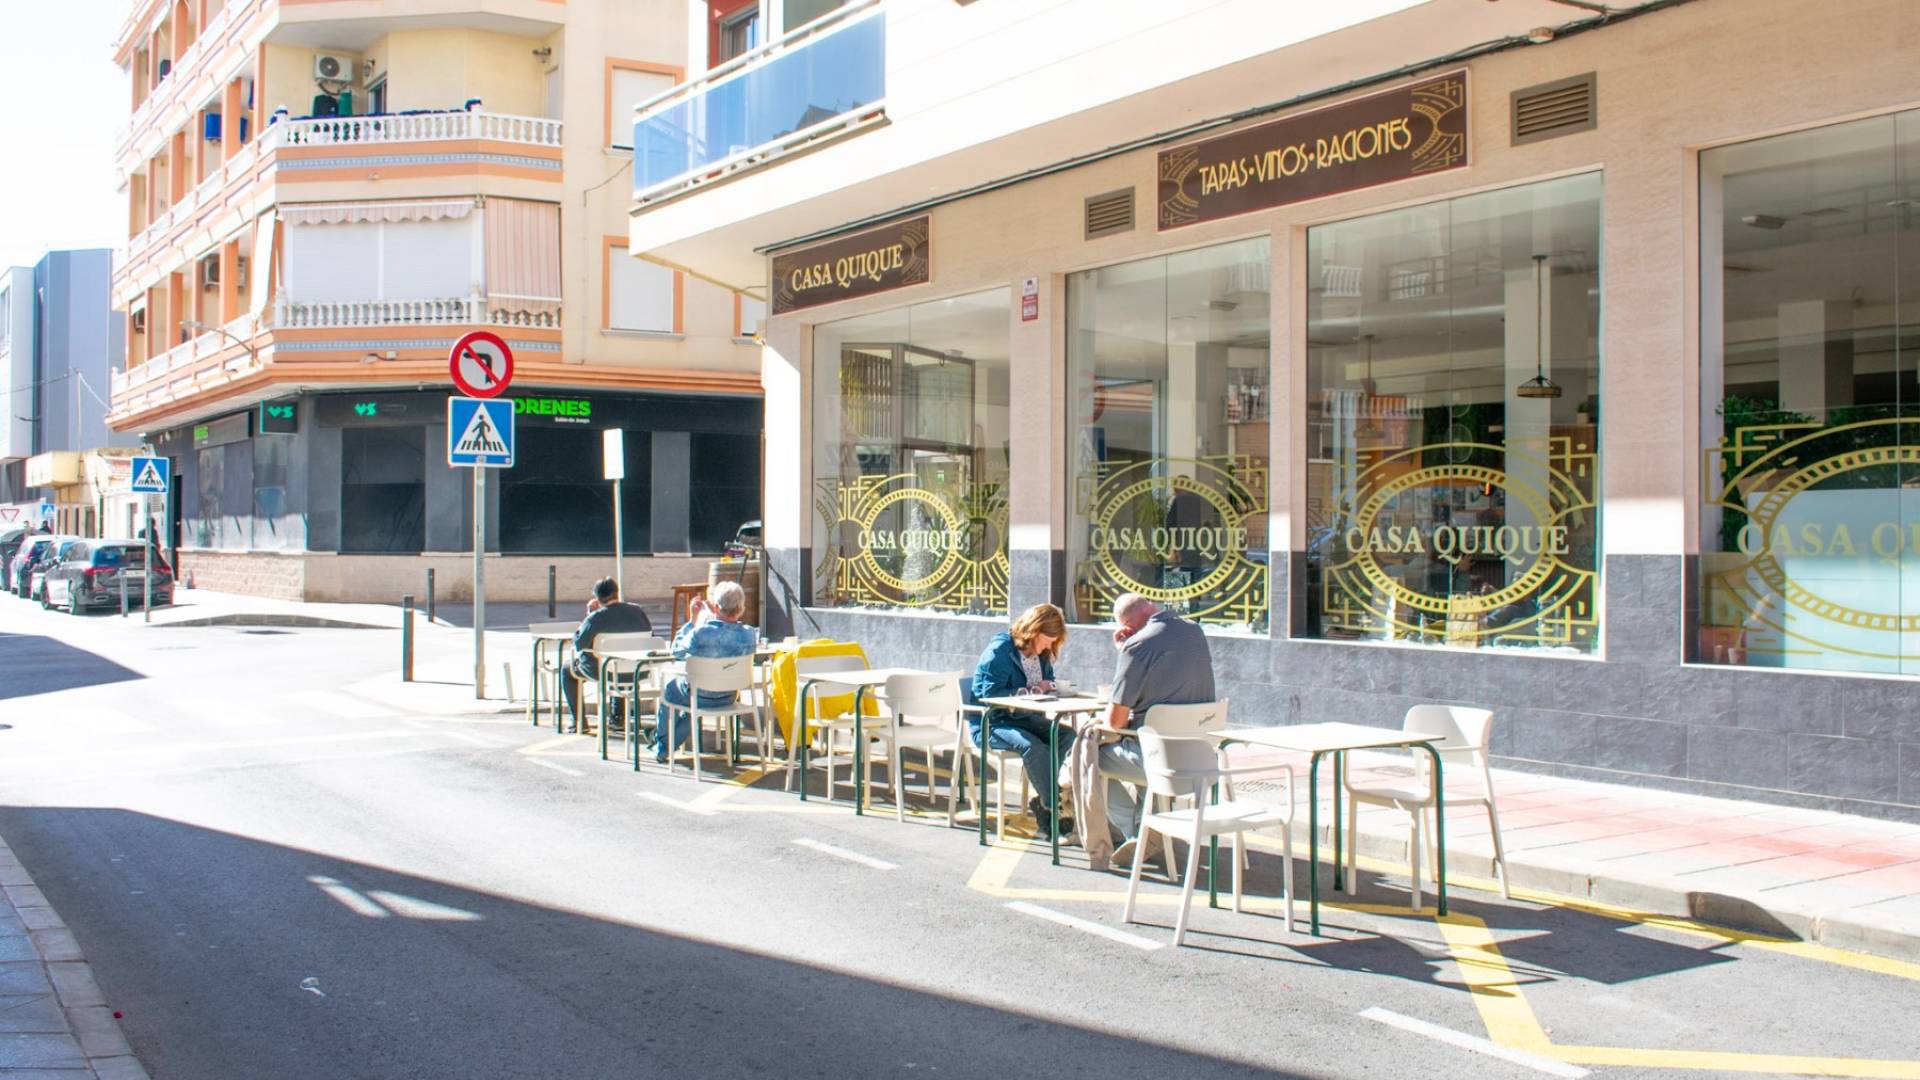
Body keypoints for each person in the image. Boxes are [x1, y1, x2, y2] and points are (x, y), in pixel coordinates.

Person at [1082, 593, 1215, 870]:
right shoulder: (1195, 632)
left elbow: (1116, 721)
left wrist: (1126, 648)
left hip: (1158, 762)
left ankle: (1136, 830)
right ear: (1151, 608)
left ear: (1127, 625)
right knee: (1149, 737)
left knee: (1086, 758)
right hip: (1201, 759)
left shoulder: (1138, 644)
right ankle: (1147, 826)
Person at [970, 603, 1076, 837]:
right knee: (1033, 747)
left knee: (1068, 735)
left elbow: (1045, 683)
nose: (1050, 645)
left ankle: (1048, 797)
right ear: (1034, 630)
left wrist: (1048, 687)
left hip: (1026, 719)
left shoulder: (1043, 654)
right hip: (993, 722)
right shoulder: (1000, 650)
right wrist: (1028, 691)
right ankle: (1052, 809)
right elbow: (987, 695)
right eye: (1048, 639)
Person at [654, 580, 758, 763]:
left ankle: (662, 746)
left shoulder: (700, 633)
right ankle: (663, 747)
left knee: (670, 692)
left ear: (717, 607)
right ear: (741, 608)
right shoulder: (749, 634)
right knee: (690, 703)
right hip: (729, 695)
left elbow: (676, 651)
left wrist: (693, 621)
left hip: (699, 695)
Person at [563, 577, 655, 729]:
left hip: (603, 671)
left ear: (597, 598)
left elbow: (579, 644)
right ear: (617, 593)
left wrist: (589, 615)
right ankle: (617, 718)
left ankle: (578, 721)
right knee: (618, 663)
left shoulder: (596, 617)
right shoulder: (638, 612)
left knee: (567, 669)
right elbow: (650, 636)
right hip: (636, 670)